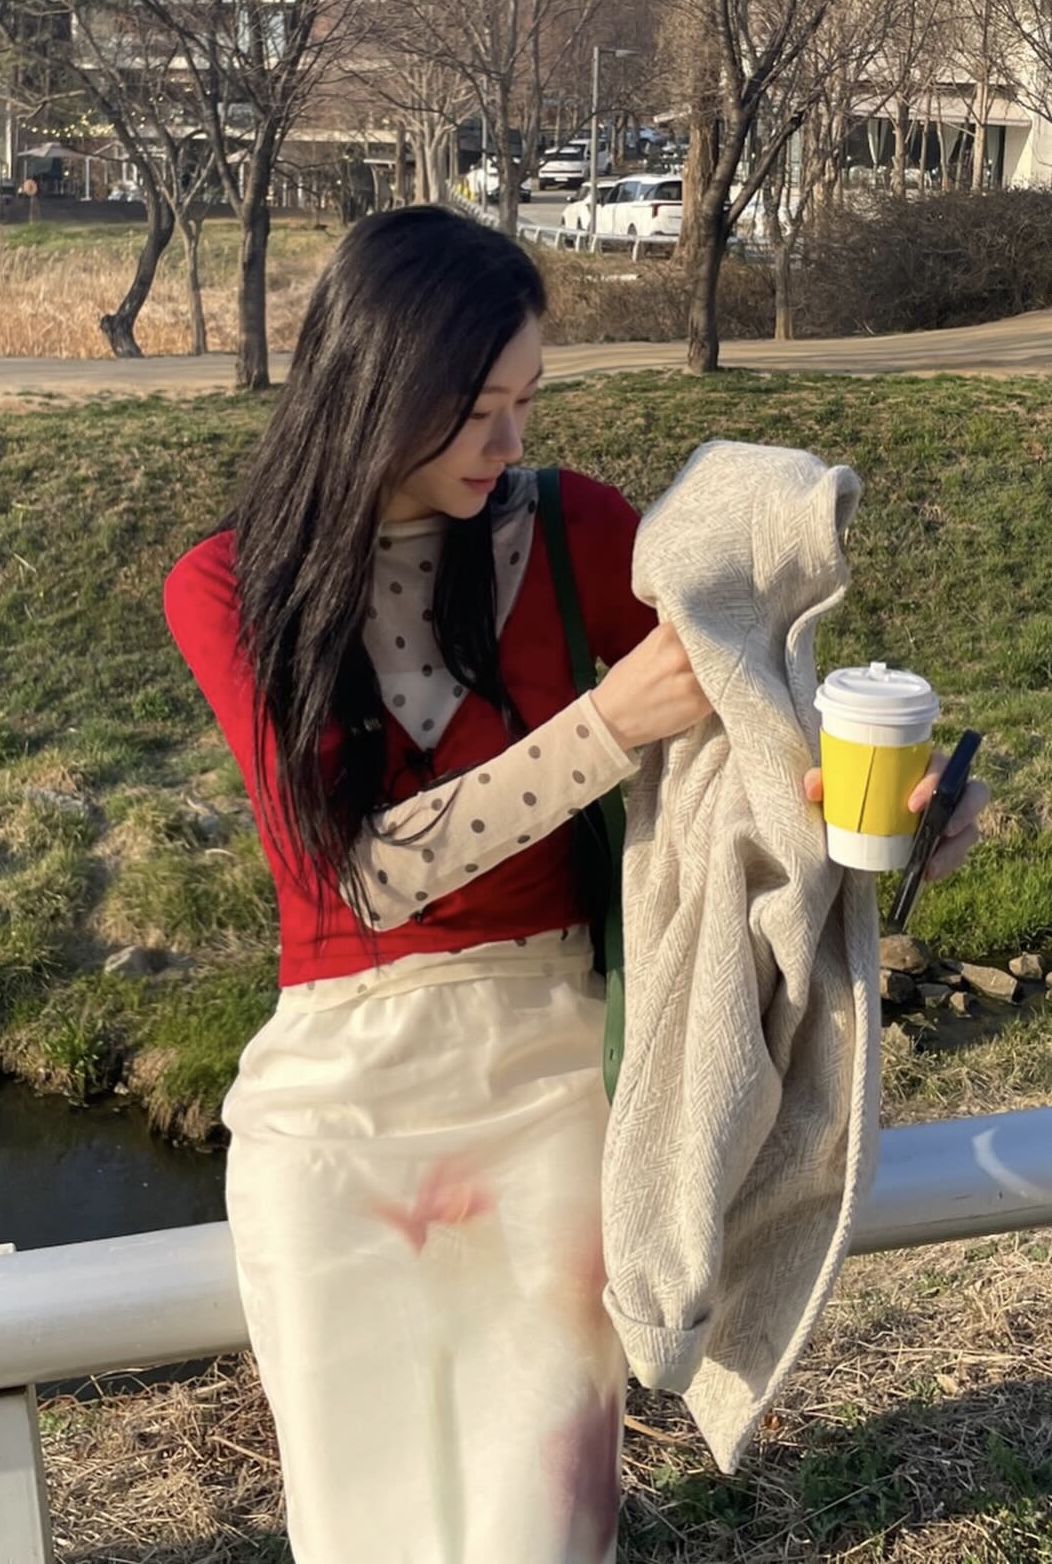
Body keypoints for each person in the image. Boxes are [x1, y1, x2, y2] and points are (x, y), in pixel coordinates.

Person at [163, 205, 986, 1564]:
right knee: (360, 1525)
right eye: (475, 412)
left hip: (553, 1068)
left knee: (541, 1525)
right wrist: (609, 726)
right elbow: (362, 874)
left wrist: (876, 814)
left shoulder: (571, 528)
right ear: (370, 389)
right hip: (332, 1097)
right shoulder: (229, 585)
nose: (510, 443)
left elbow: (749, 731)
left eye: (527, 403)